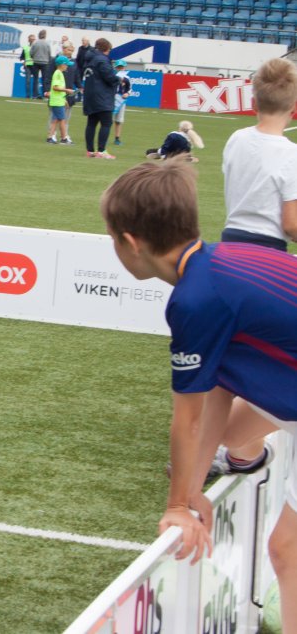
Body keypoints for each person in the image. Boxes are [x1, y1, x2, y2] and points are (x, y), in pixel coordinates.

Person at [99, 160, 297, 634]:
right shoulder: (224, 262)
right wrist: (190, 491)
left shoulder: (195, 300)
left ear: (130, 242)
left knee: (285, 551)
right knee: (231, 435)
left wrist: (175, 507)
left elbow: (187, 419)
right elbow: (220, 390)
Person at [220, 57, 297, 252]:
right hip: (266, 250)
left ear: (254, 103)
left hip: (229, 243)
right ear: (294, 108)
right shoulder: (291, 154)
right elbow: (291, 224)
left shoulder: (236, 139)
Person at [81, 37, 120, 159]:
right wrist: (119, 80)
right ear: (106, 49)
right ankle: (101, 151)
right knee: (106, 123)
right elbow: (109, 77)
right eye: (109, 50)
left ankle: (90, 150)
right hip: (102, 95)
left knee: (91, 123)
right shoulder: (102, 60)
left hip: (90, 94)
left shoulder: (89, 58)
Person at [45, 55, 72, 145]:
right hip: (57, 101)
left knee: (55, 119)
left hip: (58, 100)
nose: (67, 66)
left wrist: (64, 100)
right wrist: (67, 90)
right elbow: (55, 87)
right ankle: (64, 138)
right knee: (62, 120)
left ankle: (50, 137)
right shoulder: (58, 73)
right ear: (62, 65)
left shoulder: (59, 73)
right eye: (66, 64)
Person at [111, 59, 132, 146]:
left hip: (121, 100)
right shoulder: (112, 76)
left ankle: (117, 138)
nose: (120, 69)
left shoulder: (127, 78)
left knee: (119, 120)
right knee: (107, 119)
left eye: (122, 67)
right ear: (116, 68)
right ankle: (103, 136)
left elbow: (130, 89)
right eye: (119, 67)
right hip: (111, 99)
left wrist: (127, 93)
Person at [31, 28, 51, 99]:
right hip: (45, 63)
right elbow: (49, 54)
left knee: (35, 79)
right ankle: (45, 95)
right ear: (45, 35)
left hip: (36, 62)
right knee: (44, 79)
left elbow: (31, 53)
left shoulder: (35, 43)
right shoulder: (47, 44)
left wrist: (34, 57)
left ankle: (35, 95)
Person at [20, 34, 37, 98]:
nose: (32, 40)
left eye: (33, 39)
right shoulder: (25, 47)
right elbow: (21, 57)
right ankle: (28, 95)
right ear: (29, 40)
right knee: (28, 81)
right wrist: (23, 62)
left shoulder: (37, 47)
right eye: (31, 39)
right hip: (27, 66)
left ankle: (35, 95)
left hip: (35, 65)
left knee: (36, 81)